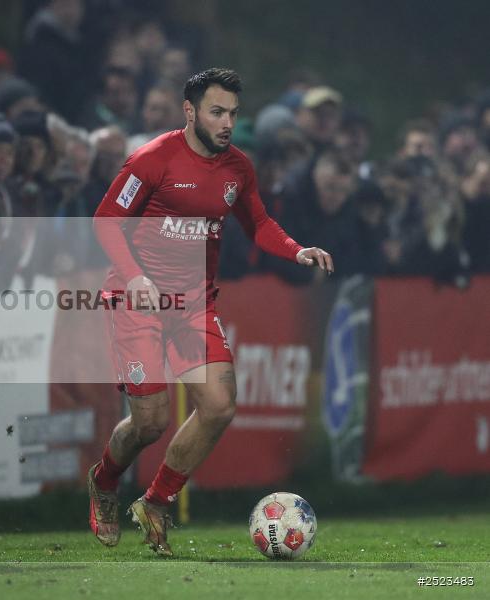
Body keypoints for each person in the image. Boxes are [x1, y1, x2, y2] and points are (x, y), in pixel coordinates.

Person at [88, 68, 333, 556]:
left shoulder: (238, 168)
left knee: (219, 406)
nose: (227, 123)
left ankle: (156, 501)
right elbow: (106, 220)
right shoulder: (151, 159)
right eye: (217, 112)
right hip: (138, 302)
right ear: (190, 111)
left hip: (194, 304)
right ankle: (105, 480)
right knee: (150, 423)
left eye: (233, 114)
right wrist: (133, 276)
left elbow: (258, 223)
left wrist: (296, 250)